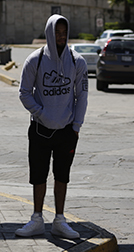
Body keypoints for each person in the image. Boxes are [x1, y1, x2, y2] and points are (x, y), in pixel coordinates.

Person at [16, 14, 88, 239]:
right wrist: (40, 113)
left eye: (64, 32)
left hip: (67, 131)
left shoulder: (78, 61)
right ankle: (37, 218)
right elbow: (24, 93)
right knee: (38, 175)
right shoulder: (35, 60)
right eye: (57, 32)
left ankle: (59, 220)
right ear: (49, 32)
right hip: (39, 129)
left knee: (62, 176)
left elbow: (82, 96)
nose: (61, 36)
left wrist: (76, 125)